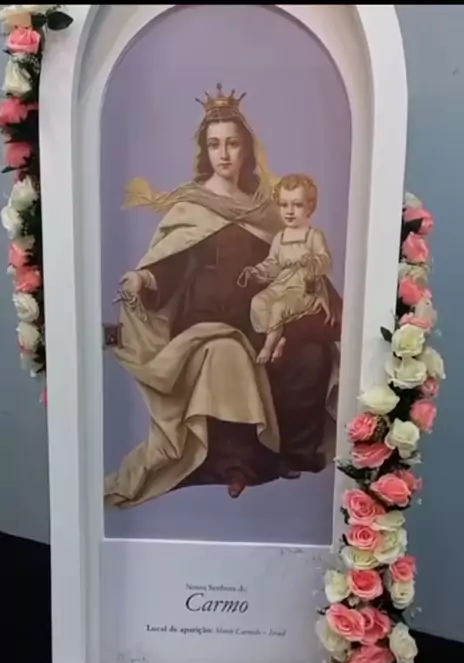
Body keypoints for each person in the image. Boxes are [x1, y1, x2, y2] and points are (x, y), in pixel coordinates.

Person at [104, 84, 342, 508]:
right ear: (205, 151)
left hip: (255, 315)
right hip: (205, 316)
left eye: (232, 143)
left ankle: (290, 453)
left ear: (247, 149)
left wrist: (317, 296)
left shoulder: (264, 209)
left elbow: (287, 262)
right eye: (215, 145)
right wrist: (142, 279)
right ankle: (235, 463)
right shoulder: (191, 206)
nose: (224, 154)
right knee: (226, 353)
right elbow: (170, 265)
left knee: (310, 354)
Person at [238, 173, 334, 364]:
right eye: (284, 205)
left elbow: (326, 260)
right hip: (281, 284)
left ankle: (269, 347)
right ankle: (278, 337)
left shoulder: (313, 235)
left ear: (309, 207)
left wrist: (314, 262)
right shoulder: (279, 238)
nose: (289, 211)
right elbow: (273, 264)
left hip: (304, 288)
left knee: (279, 307)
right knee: (258, 302)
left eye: (297, 205)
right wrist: (257, 272)